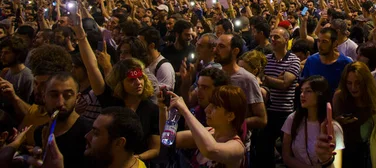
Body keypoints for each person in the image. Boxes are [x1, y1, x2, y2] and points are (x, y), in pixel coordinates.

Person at [76, 16, 161, 164]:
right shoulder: (111, 102)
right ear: (121, 83)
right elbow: (91, 67)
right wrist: (81, 35)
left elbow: (155, 148)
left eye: (140, 78)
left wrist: (134, 159)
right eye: (131, 80)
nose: (138, 83)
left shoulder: (151, 108)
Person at [164, 85, 247, 168]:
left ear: (230, 116)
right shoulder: (209, 131)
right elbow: (169, 139)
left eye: (215, 107)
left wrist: (185, 111)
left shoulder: (237, 147)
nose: (207, 109)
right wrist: (163, 109)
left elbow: (211, 150)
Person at [258, 27, 301, 167]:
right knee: (264, 150)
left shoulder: (293, 60)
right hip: (267, 111)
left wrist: (265, 79)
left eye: (277, 37)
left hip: (284, 113)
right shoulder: (266, 59)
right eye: (272, 36)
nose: (273, 39)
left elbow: (284, 84)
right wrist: (274, 80)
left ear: (286, 40)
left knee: (288, 151)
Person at [282, 75, 344, 168]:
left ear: (320, 95)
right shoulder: (293, 119)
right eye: (301, 91)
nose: (302, 95)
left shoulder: (332, 126)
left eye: (308, 91)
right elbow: (286, 157)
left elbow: (338, 164)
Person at [333, 61, 376, 168]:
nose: (353, 87)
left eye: (358, 83)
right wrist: (338, 122)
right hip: (341, 152)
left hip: (363, 157)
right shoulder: (340, 97)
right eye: (349, 83)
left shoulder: (374, 105)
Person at [33, 72, 90, 167]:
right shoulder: (40, 132)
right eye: (54, 95)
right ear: (44, 97)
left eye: (67, 96)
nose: (60, 103)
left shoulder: (89, 133)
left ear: (77, 98)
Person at [214, 34, 267, 131]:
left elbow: (261, 119)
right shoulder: (214, 73)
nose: (215, 50)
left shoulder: (247, 79)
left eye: (221, 46)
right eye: (215, 46)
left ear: (235, 51)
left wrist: (231, 124)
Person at [302, 28, 352, 95]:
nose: (320, 45)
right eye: (319, 41)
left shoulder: (345, 63)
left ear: (335, 43)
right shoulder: (311, 61)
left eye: (324, 42)